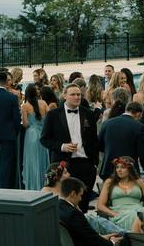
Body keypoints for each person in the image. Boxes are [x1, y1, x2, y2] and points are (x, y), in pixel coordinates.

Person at [41, 84, 100, 213]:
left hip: (86, 163)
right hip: (63, 165)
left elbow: (94, 140)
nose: (76, 97)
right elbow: (44, 139)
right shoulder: (53, 114)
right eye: (73, 94)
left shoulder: (88, 114)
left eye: (78, 94)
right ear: (65, 96)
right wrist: (62, 146)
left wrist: (94, 163)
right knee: (64, 202)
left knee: (83, 202)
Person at [59, 177, 125, 246]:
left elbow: (87, 236)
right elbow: (93, 240)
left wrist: (103, 237)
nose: (80, 199)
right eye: (80, 195)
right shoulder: (74, 214)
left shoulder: (56, 208)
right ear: (73, 194)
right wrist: (112, 242)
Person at [98, 102, 144, 178]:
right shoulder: (139, 127)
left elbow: (100, 145)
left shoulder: (107, 123)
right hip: (129, 170)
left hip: (108, 169)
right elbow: (143, 153)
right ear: (138, 114)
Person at [96, 156, 144, 230]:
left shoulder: (138, 181)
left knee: (142, 216)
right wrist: (113, 214)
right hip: (119, 213)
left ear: (130, 169)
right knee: (134, 216)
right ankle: (135, 238)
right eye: (117, 167)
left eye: (123, 167)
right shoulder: (109, 182)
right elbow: (100, 205)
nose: (119, 170)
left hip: (139, 210)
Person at [22, 83, 50, 190]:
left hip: (31, 135)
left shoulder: (25, 106)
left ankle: (33, 185)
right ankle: (45, 185)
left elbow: (25, 124)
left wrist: (32, 124)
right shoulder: (43, 103)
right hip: (43, 133)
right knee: (43, 158)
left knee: (32, 160)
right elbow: (49, 117)